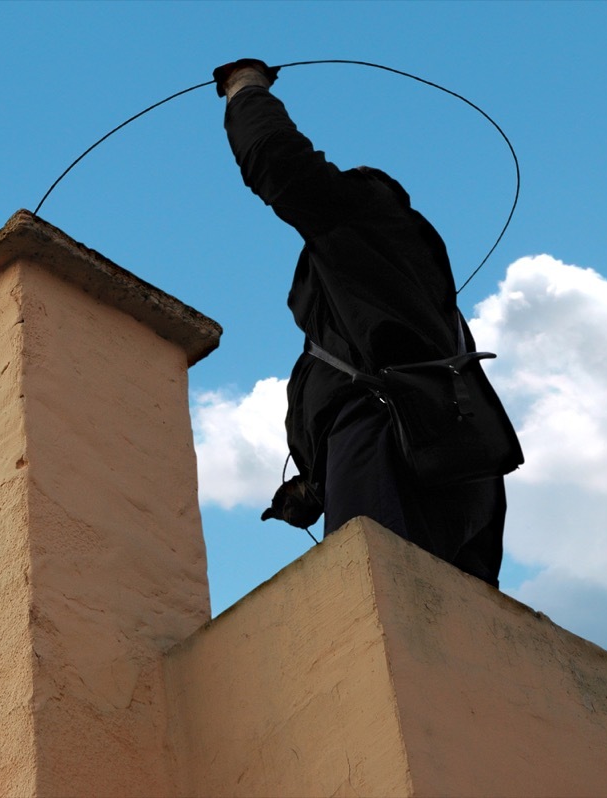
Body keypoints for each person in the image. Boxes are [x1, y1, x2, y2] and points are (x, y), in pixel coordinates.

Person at [214, 58, 508, 587]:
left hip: (387, 438)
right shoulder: (395, 285)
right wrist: (321, 481)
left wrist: (245, 88)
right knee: (456, 634)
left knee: (372, 594)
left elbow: (280, 164)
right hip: (443, 457)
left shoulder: (363, 221)